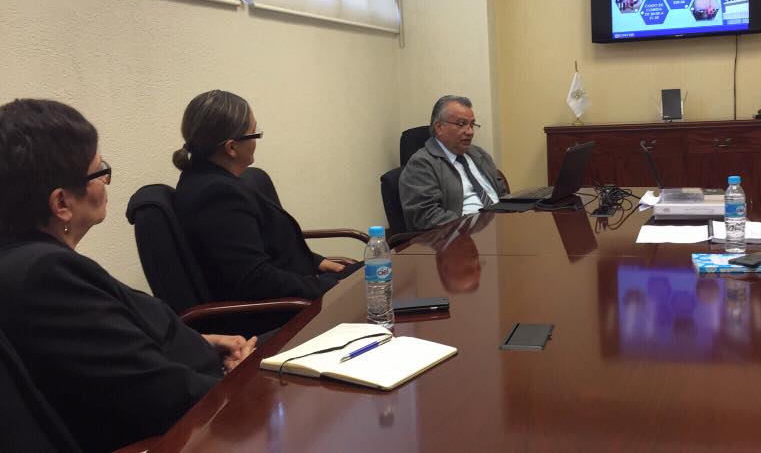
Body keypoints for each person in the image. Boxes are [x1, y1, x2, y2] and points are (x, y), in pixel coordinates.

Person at [0, 99, 256, 452]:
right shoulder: (45, 275)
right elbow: (156, 395)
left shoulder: (30, 259)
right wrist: (241, 382)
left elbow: (112, 350)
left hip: (205, 366)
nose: (106, 180)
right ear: (61, 203)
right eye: (99, 171)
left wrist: (204, 343)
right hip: (198, 422)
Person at [174, 90, 356, 302]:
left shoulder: (207, 179)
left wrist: (315, 261)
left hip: (294, 285)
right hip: (281, 308)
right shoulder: (217, 197)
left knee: (379, 270)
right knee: (377, 283)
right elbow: (256, 281)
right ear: (231, 147)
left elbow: (261, 245)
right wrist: (330, 287)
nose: (257, 140)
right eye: (254, 133)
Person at [399, 95, 508, 231]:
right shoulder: (421, 164)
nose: (470, 132)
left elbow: (502, 193)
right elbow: (426, 216)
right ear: (439, 127)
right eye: (461, 124)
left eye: (472, 124)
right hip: (462, 235)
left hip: (500, 226)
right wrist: (473, 225)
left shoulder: (479, 154)